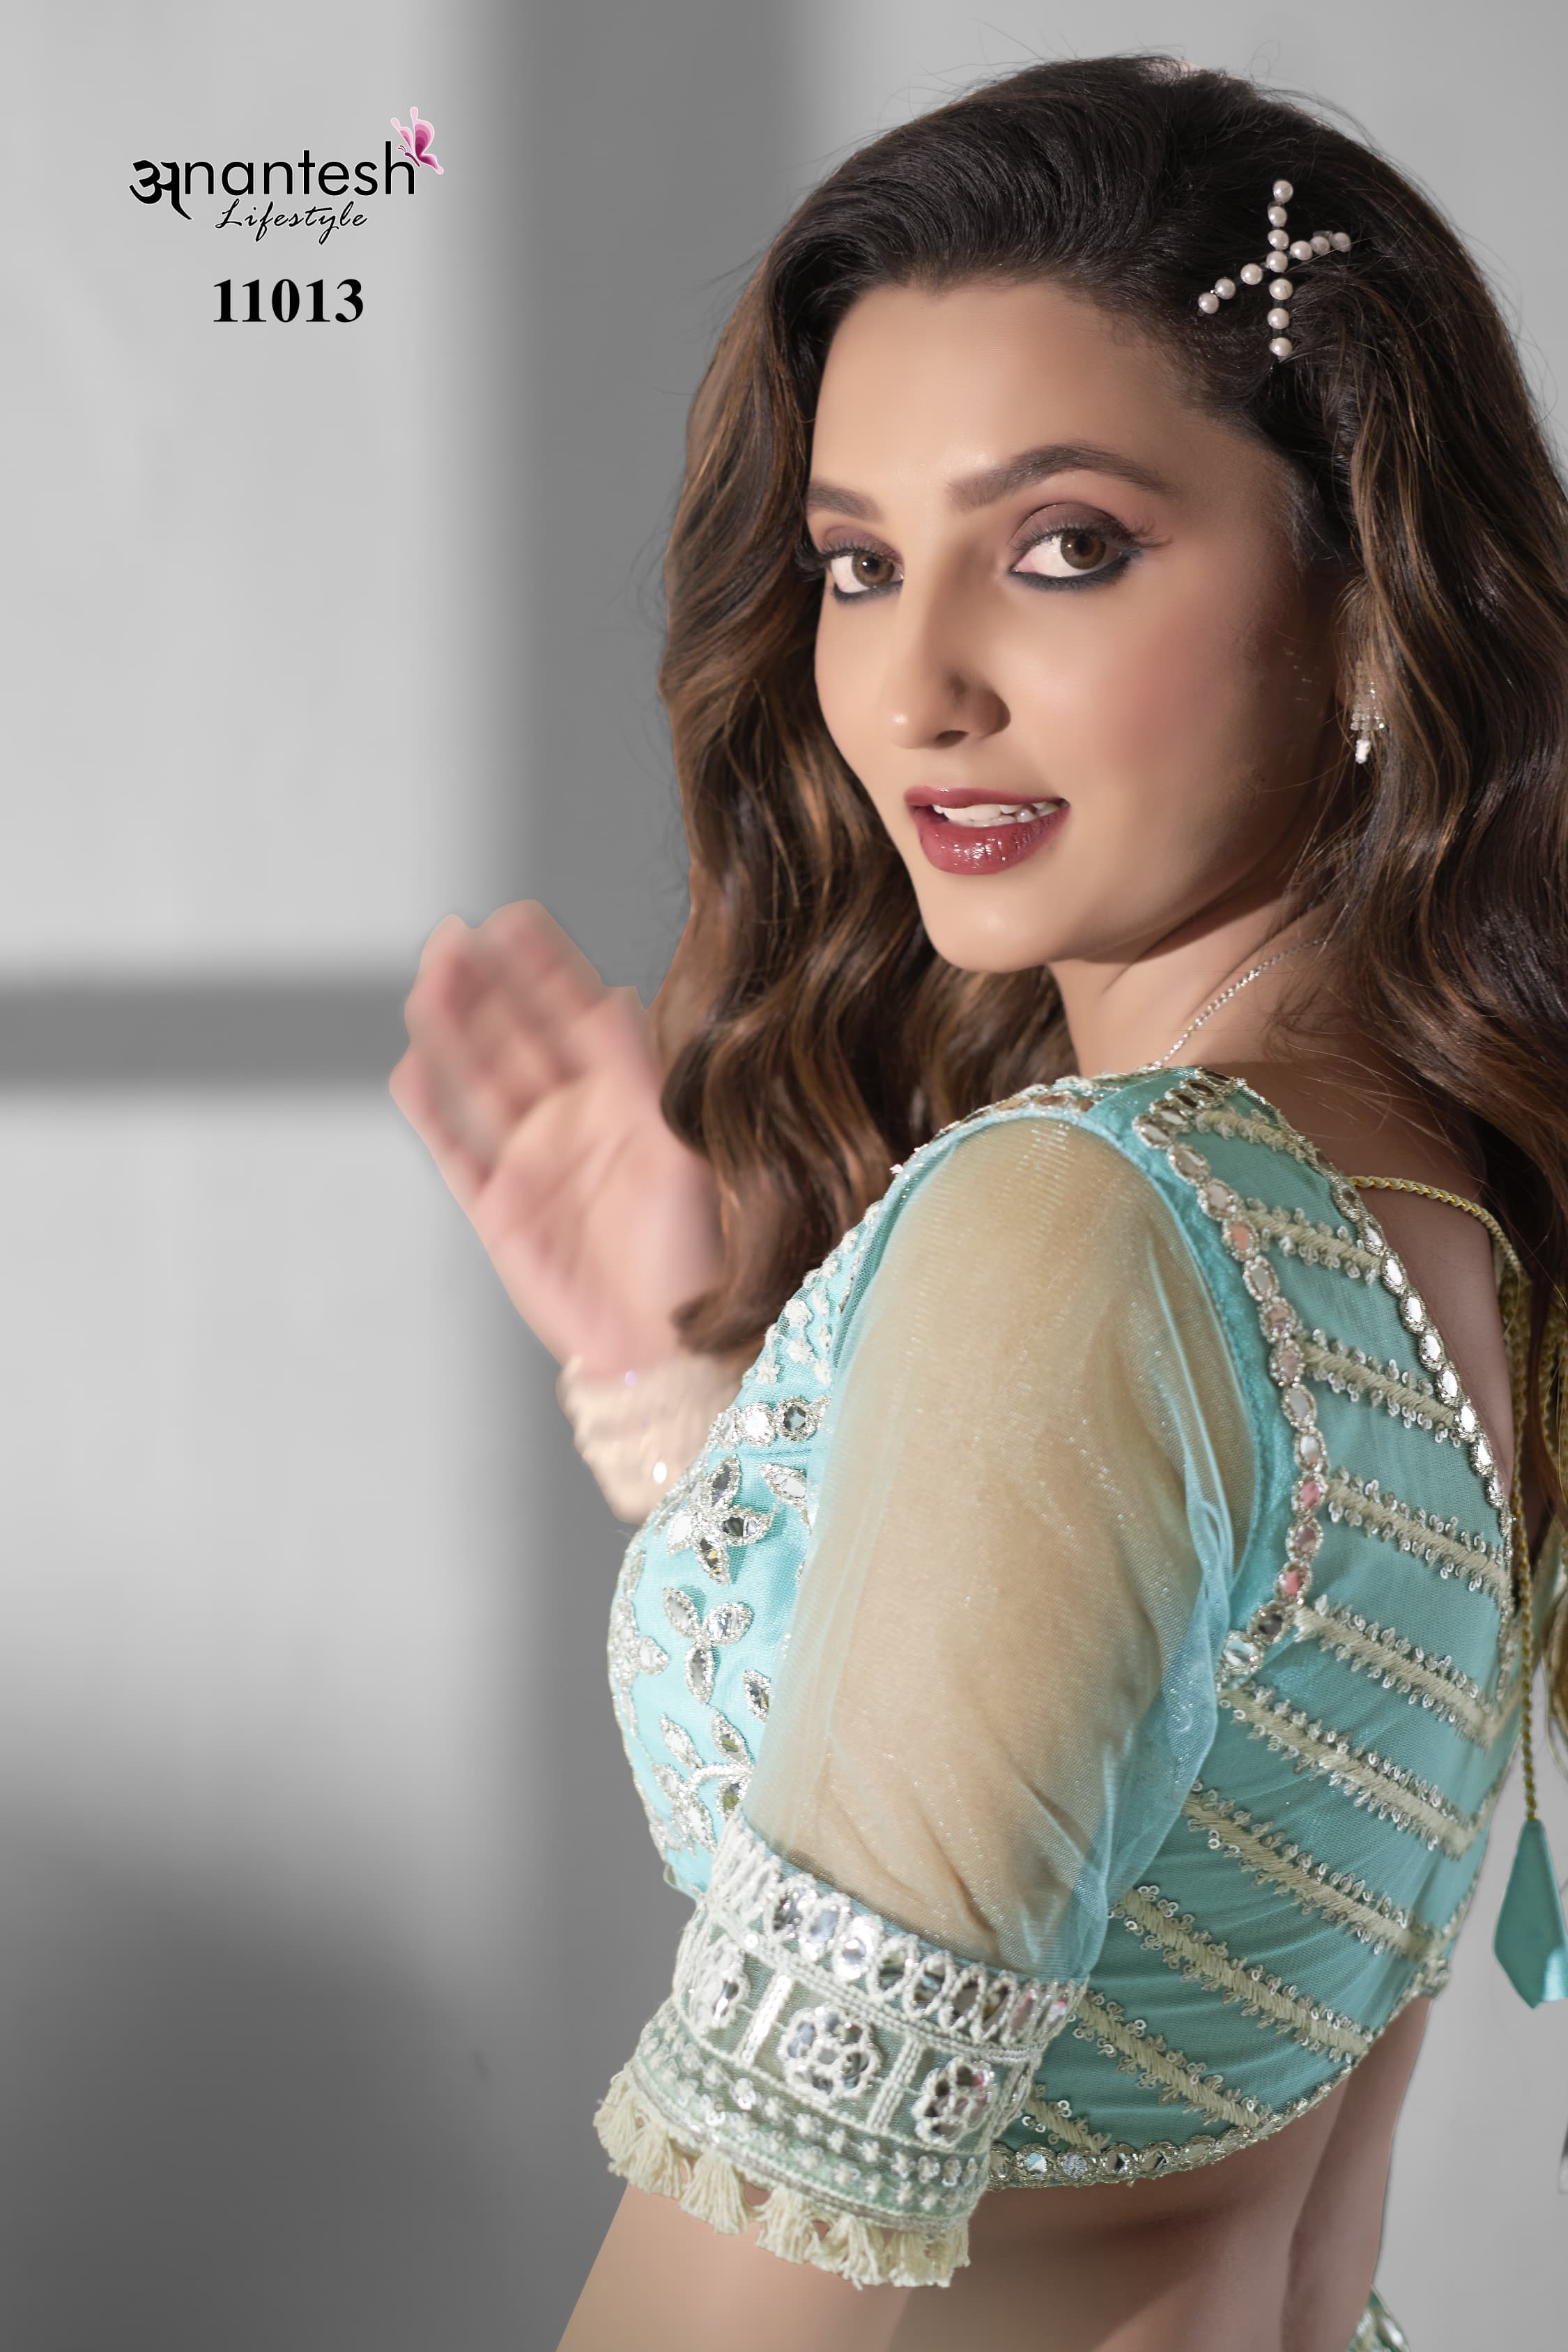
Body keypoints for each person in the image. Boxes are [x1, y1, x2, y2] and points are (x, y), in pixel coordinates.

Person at [388, 55, 1568, 2352]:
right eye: (855, 564)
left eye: (1063, 548)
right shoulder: (1438, 1219)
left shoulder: (1094, 1227)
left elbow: (763, 2255)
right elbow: (1172, 1832)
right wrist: (687, 1386)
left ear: (1361, 597)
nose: (912, 686)